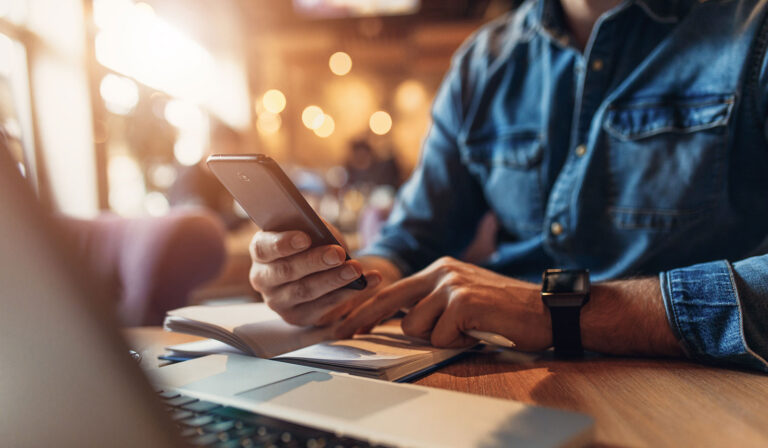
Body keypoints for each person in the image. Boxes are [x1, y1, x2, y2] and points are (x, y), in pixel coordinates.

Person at [248, 0, 768, 372]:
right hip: (502, 370)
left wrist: (559, 309)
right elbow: (411, 241)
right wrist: (337, 282)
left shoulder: (753, 33)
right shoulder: (483, 62)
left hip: (695, 389)